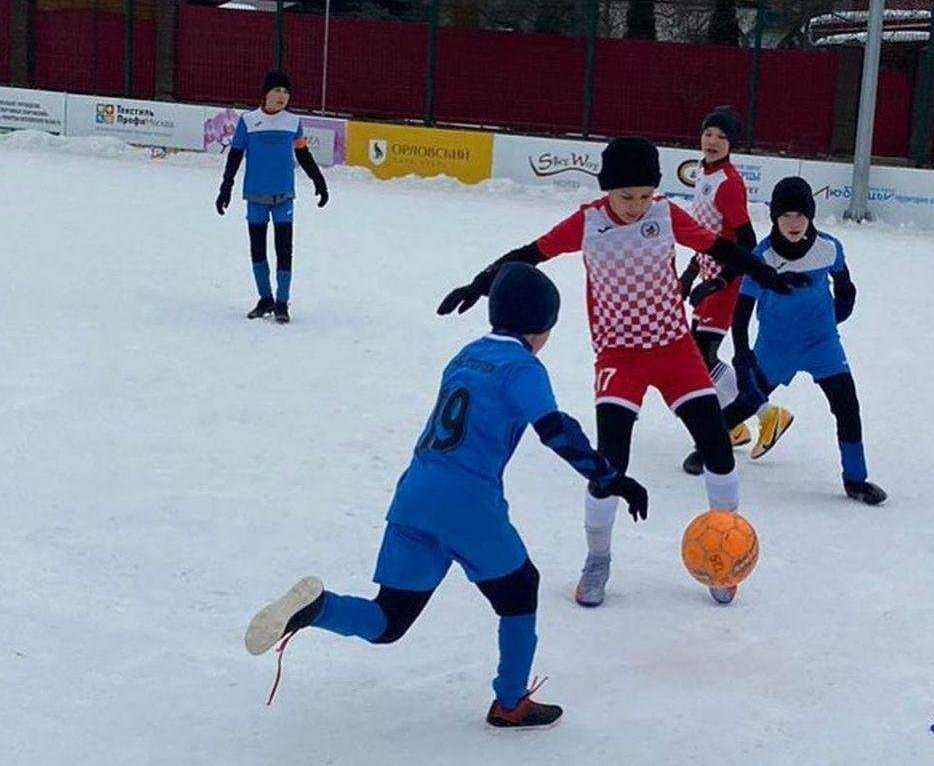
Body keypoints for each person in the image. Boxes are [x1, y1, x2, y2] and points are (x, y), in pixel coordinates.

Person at [244, 264, 648, 728]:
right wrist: (608, 476)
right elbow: (554, 429)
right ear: (542, 328)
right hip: (468, 501)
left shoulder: (466, 355)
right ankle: (510, 701)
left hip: (415, 491)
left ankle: (317, 608)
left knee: (388, 619)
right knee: (520, 589)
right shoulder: (523, 367)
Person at [438, 136, 809, 607]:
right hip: (619, 357)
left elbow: (724, 247)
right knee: (611, 464)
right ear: (606, 191)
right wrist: (479, 283)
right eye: (625, 196)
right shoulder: (588, 222)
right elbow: (529, 254)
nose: (636, 206)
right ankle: (598, 559)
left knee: (717, 446)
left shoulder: (665, 214)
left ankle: (724, 557)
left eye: (644, 195)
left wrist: (770, 276)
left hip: (675, 350)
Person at [721, 176, 887, 506]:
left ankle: (856, 480)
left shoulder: (829, 247)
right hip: (775, 348)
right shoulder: (762, 256)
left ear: (810, 216)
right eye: (786, 216)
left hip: (823, 345)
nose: (794, 224)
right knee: (747, 401)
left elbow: (845, 285)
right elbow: (741, 314)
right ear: (775, 219)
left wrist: (836, 314)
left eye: (800, 216)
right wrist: (742, 356)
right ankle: (706, 445)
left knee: (847, 406)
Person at [681, 106, 794, 475]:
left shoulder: (728, 183)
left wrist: (717, 281)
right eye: (708, 133)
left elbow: (745, 241)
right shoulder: (703, 173)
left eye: (722, 137)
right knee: (700, 356)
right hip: (710, 276)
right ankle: (736, 424)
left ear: (732, 145)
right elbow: (708, 235)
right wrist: (690, 273)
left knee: (700, 355)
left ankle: (765, 413)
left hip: (727, 282)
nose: (712, 141)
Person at [215, 70, 329, 324]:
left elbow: (303, 154)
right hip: (255, 196)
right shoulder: (249, 121)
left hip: (284, 196)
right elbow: (235, 156)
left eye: (286, 92)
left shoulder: (293, 122)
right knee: (257, 250)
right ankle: (265, 298)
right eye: (277, 90)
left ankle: (281, 302)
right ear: (266, 93)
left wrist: (319, 181)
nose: (282, 96)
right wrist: (226, 187)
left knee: (284, 250)